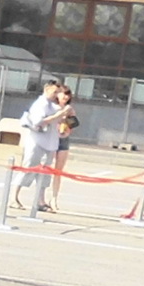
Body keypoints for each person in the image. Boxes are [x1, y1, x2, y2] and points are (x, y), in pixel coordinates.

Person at [15, 78, 70, 214]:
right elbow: (39, 122)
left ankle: (40, 200)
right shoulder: (40, 104)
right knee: (28, 168)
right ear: (47, 90)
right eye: (54, 92)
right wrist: (58, 115)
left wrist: (65, 115)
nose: (56, 95)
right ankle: (14, 197)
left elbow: (62, 118)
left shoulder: (53, 105)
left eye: (58, 92)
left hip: (50, 143)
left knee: (45, 173)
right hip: (37, 141)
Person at [48, 83, 80, 211]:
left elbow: (74, 124)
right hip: (51, 138)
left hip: (63, 139)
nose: (66, 97)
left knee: (58, 171)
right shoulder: (52, 107)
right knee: (45, 168)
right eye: (64, 94)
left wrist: (69, 117)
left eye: (68, 95)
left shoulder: (69, 109)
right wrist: (61, 114)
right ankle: (40, 196)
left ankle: (54, 198)